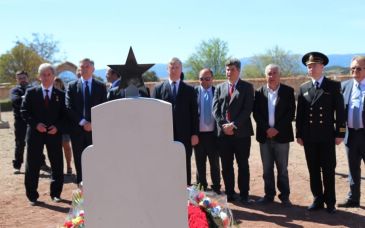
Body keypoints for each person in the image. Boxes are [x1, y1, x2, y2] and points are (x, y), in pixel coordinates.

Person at [296, 52, 346, 214]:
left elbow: (340, 112)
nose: (310, 68)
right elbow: (300, 114)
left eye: (313, 65)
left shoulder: (333, 86)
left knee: (328, 169)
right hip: (309, 137)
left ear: (322, 67)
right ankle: (318, 199)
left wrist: (340, 133)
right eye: (308, 66)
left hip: (326, 137)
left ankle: (330, 201)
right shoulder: (304, 88)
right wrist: (299, 134)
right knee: (313, 169)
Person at [21, 63, 66, 205]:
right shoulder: (31, 92)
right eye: (43, 75)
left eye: (48, 74)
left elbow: (65, 115)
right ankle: (32, 196)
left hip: (54, 134)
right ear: (39, 77)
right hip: (35, 134)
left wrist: (57, 127)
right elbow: (24, 112)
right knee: (32, 165)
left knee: (57, 164)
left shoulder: (61, 95)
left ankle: (56, 194)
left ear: (53, 76)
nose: (46, 78)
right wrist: (36, 124)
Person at [212, 58, 254, 203]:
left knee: (242, 164)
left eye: (232, 70)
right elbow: (215, 110)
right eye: (227, 69)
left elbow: (247, 109)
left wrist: (233, 125)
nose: (229, 72)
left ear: (239, 70)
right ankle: (230, 193)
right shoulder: (219, 88)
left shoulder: (247, 87)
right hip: (223, 135)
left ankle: (244, 194)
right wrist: (224, 125)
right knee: (226, 165)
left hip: (241, 134)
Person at [152, 57, 199, 186]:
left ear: (181, 69)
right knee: (164, 163)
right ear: (167, 69)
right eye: (172, 67)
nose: (174, 70)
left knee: (184, 163)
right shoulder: (158, 89)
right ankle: (166, 190)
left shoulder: (190, 90)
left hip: (185, 135)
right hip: (164, 135)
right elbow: (153, 114)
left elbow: (194, 113)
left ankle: (185, 192)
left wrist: (195, 133)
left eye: (177, 67)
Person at [253, 64, 295, 206]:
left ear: (279, 75)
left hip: (282, 136)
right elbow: (256, 114)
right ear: (265, 75)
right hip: (265, 137)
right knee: (267, 169)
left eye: (274, 73)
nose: (271, 76)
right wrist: (267, 129)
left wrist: (276, 129)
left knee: (282, 169)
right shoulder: (259, 92)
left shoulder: (288, 91)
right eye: (269, 74)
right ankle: (268, 195)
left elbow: (290, 114)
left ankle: (284, 196)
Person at [66, 58, 107, 185]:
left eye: (86, 67)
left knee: (96, 162)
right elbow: (68, 107)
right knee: (79, 163)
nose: (83, 69)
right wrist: (83, 122)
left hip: (95, 132)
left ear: (93, 69)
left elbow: (104, 107)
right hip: (77, 131)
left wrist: (93, 124)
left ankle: (98, 195)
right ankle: (81, 201)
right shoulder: (72, 86)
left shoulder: (100, 86)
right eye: (81, 67)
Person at [338, 56, 365, 208]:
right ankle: (353, 199)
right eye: (352, 68)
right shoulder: (344, 86)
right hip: (351, 135)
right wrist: (340, 132)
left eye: (358, 68)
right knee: (353, 169)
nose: (355, 71)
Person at [194, 68, 221, 194]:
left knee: (214, 162)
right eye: (201, 79)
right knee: (200, 163)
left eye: (207, 78)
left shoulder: (218, 91)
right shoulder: (193, 92)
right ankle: (201, 186)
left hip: (213, 135)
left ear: (212, 79)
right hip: (198, 134)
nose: (204, 81)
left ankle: (216, 186)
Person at [53, 77, 73, 175]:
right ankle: (58, 168)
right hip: (53, 125)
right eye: (54, 83)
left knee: (66, 146)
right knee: (55, 148)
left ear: (61, 84)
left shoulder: (65, 95)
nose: (56, 85)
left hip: (64, 126)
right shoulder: (50, 95)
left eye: (58, 83)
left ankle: (69, 166)